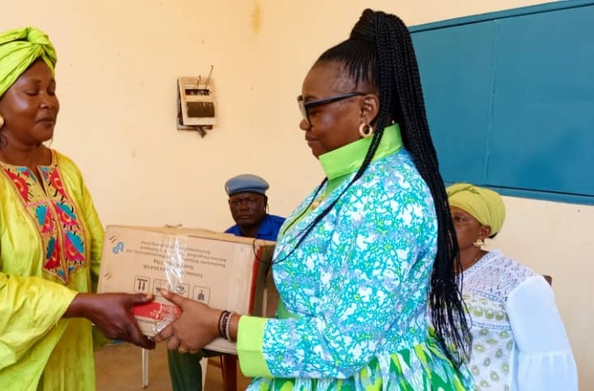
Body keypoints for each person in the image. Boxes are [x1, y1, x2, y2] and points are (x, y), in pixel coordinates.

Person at [154, 9, 473, 390]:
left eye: (314, 109)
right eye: (302, 107)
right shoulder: (349, 178)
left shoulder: (391, 196)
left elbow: (342, 347)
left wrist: (222, 322)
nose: (303, 123)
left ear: (366, 109)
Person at [0, 27, 154, 391]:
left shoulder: (65, 169)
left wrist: (154, 299)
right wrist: (78, 303)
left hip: (63, 351)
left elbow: (98, 258)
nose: (49, 102)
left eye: (52, 90)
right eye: (32, 92)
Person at [446, 183, 577, 390]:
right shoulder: (425, 272)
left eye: (459, 219)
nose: (446, 224)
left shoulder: (516, 282)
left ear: (483, 231)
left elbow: (543, 357)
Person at [167, 174, 286, 391]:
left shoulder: (286, 231)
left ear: (264, 203)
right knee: (180, 342)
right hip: (230, 322)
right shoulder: (224, 241)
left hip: (274, 326)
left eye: (250, 200)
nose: (243, 207)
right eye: (237, 202)